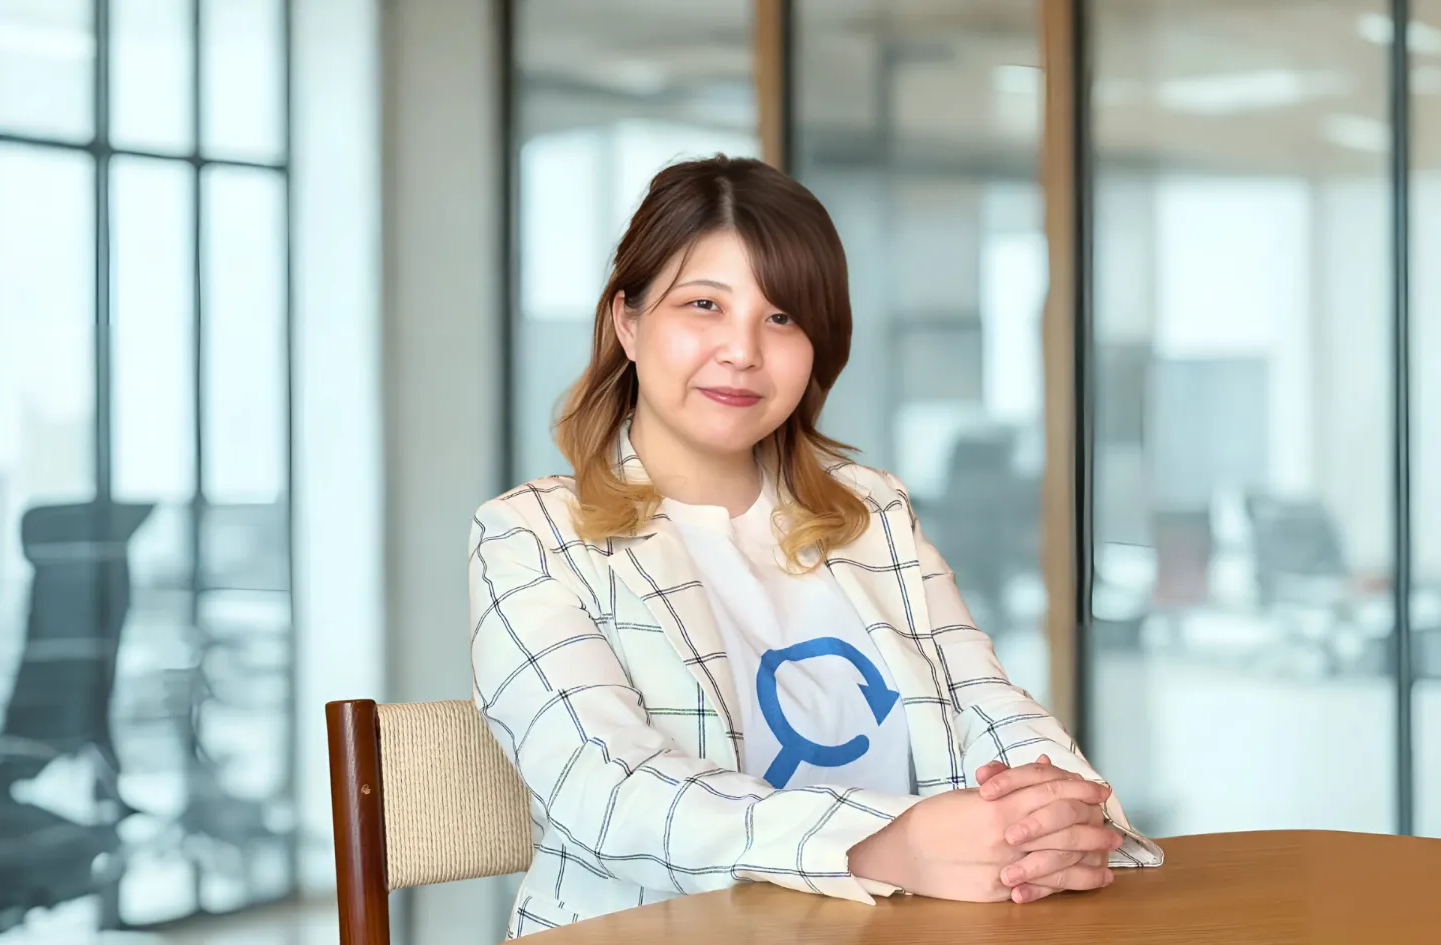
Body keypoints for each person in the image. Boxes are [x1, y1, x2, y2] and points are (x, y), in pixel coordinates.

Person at [469, 155, 1162, 938]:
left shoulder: (873, 510)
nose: (742, 351)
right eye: (704, 304)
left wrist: (1057, 809)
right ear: (628, 321)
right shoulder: (532, 535)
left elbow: (987, 702)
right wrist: (883, 844)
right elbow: (609, 790)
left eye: (782, 317)